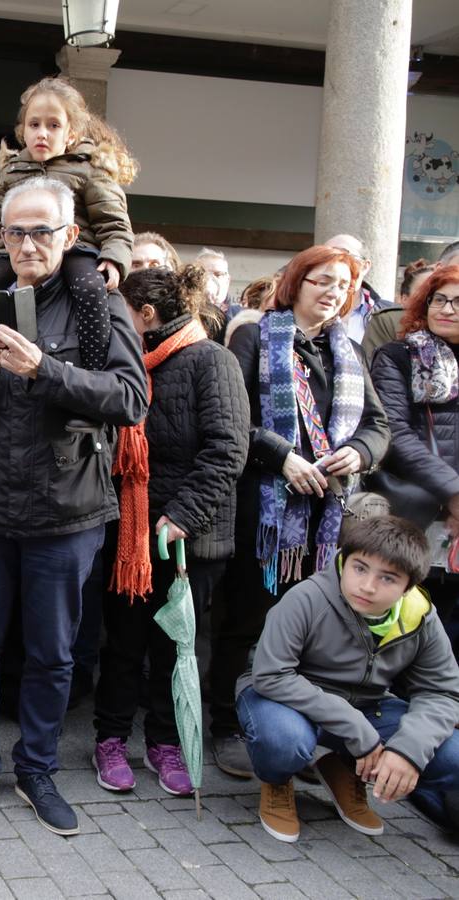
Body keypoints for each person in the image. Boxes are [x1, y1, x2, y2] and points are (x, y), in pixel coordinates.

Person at [0, 176, 146, 836]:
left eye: (40, 231)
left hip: (67, 510)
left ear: (71, 235)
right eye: (14, 230)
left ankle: (39, 768)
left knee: (53, 654)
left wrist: (45, 368)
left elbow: (130, 399)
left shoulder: (99, 304)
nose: (25, 243)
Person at [214, 245, 392, 780]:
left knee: (312, 630)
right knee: (247, 620)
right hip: (266, 515)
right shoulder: (254, 337)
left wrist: (357, 453)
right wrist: (283, 457)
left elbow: (378, 427)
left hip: (325, 520)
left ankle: (297, 731)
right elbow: (230, 418)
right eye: (322, 280)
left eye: (343, 284)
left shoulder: (348, 349)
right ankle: (227, 724)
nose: (333, 291)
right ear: (296, 282)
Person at [92, 265, 249, 797]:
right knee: (122, 642)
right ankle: (110, 739)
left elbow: (228, 449)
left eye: (123, 317)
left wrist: (183, 514)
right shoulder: (128, 364)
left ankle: (164, 740)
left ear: (147, 315)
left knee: (173, 645)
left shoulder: (212, 360)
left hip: (189, 537)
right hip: (132, 532)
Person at [237, 515, 459, 842]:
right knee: (283, 741)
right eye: (360, 568)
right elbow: (272, 675)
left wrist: (408, 751)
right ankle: (278, 780)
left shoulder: (421, 617)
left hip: (368, 705)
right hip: (283, 699)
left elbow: (441, 693)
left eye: (387, 578)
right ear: (343, 559)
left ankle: (341, 767)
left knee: (451, 755)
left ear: (408, 587)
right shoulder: (306, 598)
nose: (367, 586)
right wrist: (355, 727)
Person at [0, 76, 135, 427]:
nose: (42, 133)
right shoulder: (10, 170)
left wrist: (114, 257)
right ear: (22, 131)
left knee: (91, 288)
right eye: (34, 125)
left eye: (53, 125)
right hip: (12, 248)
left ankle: (86, 396)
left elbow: (115, 223)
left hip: (76, 248)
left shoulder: (88, 169)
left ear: (72, 133)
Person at [369, 263, 459, 621]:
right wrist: (453, 492)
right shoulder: (398, 356)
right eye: (440, 300)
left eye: (457, 302)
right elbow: (395, 434)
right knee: (407, 621)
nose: (447, 309)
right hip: (416, 510)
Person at [324, 233, 395, 345]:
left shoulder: (390, 315)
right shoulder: (305, 308)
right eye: (326, 256)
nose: (335, 263)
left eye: (344, 256)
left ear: (365, 266)